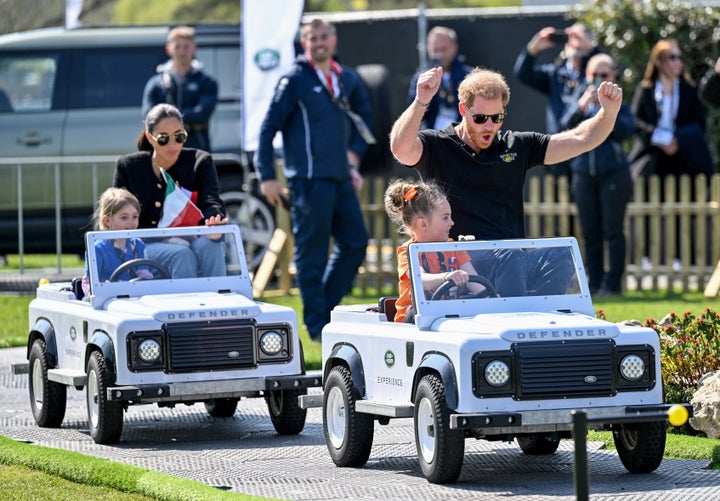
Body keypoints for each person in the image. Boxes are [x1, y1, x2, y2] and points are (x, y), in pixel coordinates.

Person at [389, 67, 623, 296]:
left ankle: (536, 318)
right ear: (463, 109)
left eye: (497, 117)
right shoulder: (437, 145)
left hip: (513, 258)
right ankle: (516, 319)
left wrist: (608, 113)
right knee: (510, 255)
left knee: (560, 254)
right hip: (460, 259)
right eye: (480, 118)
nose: (489, 126)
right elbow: (400, 148)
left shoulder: (516, 146)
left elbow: (580, 139)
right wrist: (421, 101)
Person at [255, 18, 373, 342]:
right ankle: (317, 328)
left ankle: (326, 314)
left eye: (323, 37)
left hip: (341, 179)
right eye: (312, 38)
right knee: (312, 255)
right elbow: (267, 130)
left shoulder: (344, 77)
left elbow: (365, 122)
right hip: (308, 181)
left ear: (333, 40)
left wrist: (354, 158)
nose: (319, 43)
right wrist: (266, 176)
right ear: (303, 43)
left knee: (356, 243)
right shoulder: (294, 79)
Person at [114, 103, 228, 279]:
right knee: (180, 254)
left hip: (192, 237)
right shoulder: (128, 167)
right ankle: (186, 306)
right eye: (163, 138)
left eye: (179, 136)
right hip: (145, 244)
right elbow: (119, 212)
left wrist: (214, 220)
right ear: (150, 138)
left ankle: (219, 301)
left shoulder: (200, 162)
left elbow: (210, 199)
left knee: (211, 245)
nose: (172, 144)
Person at [628, 40, 714, 269]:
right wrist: (660, 138)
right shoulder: (645, 89)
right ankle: (646, 257)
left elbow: (698, 124)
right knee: (646, 203)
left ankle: (679, 258)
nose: (678, 63)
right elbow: (636, 122)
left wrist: (677, 140)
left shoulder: (688, 89)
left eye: (679, 57)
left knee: (680, 205)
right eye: (672, 58)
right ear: (659, 61)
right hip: (653, 155)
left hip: (681, 156)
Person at [559, 53, 635, 296]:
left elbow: (626, 132)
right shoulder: (577, 97)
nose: (599, 80)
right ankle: (593, 285)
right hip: (583, 173)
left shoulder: (619, 101)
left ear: (613, 76)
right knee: (590, 232)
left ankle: (613, 286)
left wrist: (607, 111)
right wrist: (582, 106)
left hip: (613, 172)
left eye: (605, 75)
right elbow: (562, 128)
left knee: (613, 230)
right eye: (594, 75)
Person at [384, 179, 486, 323]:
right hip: (414, 322)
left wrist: (488, 296)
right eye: (445, 218)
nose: (452, 223)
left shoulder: (453, 248)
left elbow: (475, 282)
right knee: (416, 311)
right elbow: (421, 280)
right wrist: (447, 277)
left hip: (447, 317)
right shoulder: (408, 251)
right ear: (423, 224)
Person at [514, 23, 602, 178]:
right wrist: (533, 49)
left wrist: (591, 48)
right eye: (571, 38)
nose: (575, 42)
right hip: (559, 151)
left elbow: (609, 69)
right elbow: (523, 74)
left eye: (579, 38)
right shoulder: (555, 73)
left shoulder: (594, 74)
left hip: (585, 153)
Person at [142, 25, 218, 152]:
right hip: (163, 149)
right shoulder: (156, 83)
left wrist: (165, 118)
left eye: (186, 47)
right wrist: (183, 118)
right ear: (168, 49)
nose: (182, 52)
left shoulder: (207, 82)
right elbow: (148, 116)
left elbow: (202, 113)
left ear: (194, 49)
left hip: (196, 148)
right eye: (177, 47)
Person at [81, 187, 152, 296]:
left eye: (135, 217)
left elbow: (143, 272)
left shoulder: (138, 245)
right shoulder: (97, 249)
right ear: (107, 221)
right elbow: (87, 282)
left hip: (134, 298)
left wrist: (148, 281)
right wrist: (99, 291)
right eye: (124, 218)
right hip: (107, 301)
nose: (131, 222)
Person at [407, 26, 473, 130]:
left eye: (444, 49)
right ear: (429, 49)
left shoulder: (469, 76)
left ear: (455, 48)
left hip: (463, 133)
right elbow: (414, 114)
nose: (440, 55)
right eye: (435, 50)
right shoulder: (421, 78)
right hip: (432, 135)